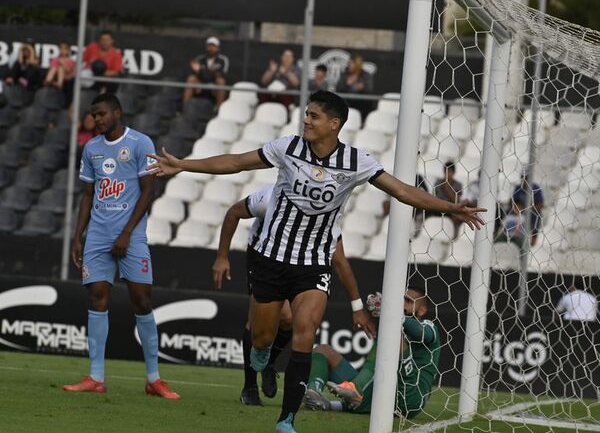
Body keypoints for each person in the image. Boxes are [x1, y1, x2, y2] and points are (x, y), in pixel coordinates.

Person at [147, 90, 485, 433]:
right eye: (306, 114)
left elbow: (401, 190)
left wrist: (450, 207)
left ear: (334, 124)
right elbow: (235, 162)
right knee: (261, 339)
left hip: (313, 264)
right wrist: (183, 165)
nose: (306, 120)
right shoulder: (287, 148)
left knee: (304, 332)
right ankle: (260, 357)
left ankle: (287, 419)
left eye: (314, 116)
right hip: (270, 257)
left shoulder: (356, 161)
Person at [212, 184, 376, 406]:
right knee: (259, 324)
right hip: (263, 256)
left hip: (301, 261)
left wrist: (357, 307)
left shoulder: (325, 215)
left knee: (289, 318)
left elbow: (340, 262)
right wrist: (222, 257)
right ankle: (249, 387)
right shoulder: (270, 198)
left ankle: (268, 362)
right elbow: (233, 213)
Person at [63, 93, 180, 400]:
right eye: (93, 115)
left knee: (142, 300)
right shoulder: (91, 148)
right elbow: (87, 194)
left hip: (132, 236)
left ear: (117, 112)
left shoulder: (140, 143)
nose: (97, 119)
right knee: (97, 298)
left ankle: (154, 379)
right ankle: (96, 377)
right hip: (98, 237)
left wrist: (127, 232)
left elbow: (148, 191)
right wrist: (78, 236)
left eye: (101, 114)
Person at [303, 286, 440, 420]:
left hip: (410, 397)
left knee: (390, 333)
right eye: (401, 300)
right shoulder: (396, 323)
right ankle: (314, 393)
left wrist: (394, 314)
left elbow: (421, 333)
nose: (402, 304)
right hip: (382, 393)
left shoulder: (429, 326)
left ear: (421, 310)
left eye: (408, 301)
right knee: (323, 351)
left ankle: (356, 389)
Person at [183, 36, 229, 108]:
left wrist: (215, 72)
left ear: (218, 48)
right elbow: (195, 73)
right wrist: (197, 71)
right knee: (191, 79)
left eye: (213, 46)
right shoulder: (200, 59)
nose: (211, 48)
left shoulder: (222, 60)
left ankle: (219, 110)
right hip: (201, 82)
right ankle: (185, 108)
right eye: (209, 46)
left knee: (221, 81)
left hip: (215, 84)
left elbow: (223, 75)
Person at [335, 54, 373, 121]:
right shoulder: (344, 74)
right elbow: (338, 88)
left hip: (361, 104)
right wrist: (347, 84)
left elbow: (369, 89)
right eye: (348, 63)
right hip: (346, 103)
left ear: (357, 64)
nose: (348, 65)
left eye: (351, 63)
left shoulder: (366, 75)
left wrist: (362, 88)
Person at [512, 173, 544, 246]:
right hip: (520, 211)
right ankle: (512, 235)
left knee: (536, 214)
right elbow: (514, 202)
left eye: (526, 178)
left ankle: (533, 236)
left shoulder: (536, 188)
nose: (524, 180)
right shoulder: (518, 188)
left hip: (532, 210)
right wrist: (518, 209)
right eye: (523, 178)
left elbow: (541, 204)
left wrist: (529, 208)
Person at [433, 162, 463, 238]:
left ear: (453, 172)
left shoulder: (458, 185)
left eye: (449, 172)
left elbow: (456, 201)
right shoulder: (438, 182)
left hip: (451, 209)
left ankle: (453, 236)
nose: (447, 174)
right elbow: (435, 198)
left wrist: (447, 189)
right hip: (438, 208)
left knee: (457, 216)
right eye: (445, 171)